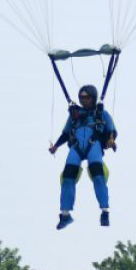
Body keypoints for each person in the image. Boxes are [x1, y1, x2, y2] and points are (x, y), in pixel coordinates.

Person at [49, 83, 116, 229]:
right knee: (67, 177)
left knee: (98, 174)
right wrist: (56, 146)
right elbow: (66, 133)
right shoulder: (74, 116)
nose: (83, 100)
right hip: (76, 147)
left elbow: (111, 130)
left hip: (94, 145)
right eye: (81, 97)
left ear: (93, 98)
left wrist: (111, 140)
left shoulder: (101, 113)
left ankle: (105, 211)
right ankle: (65, 214)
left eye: (86, 97)